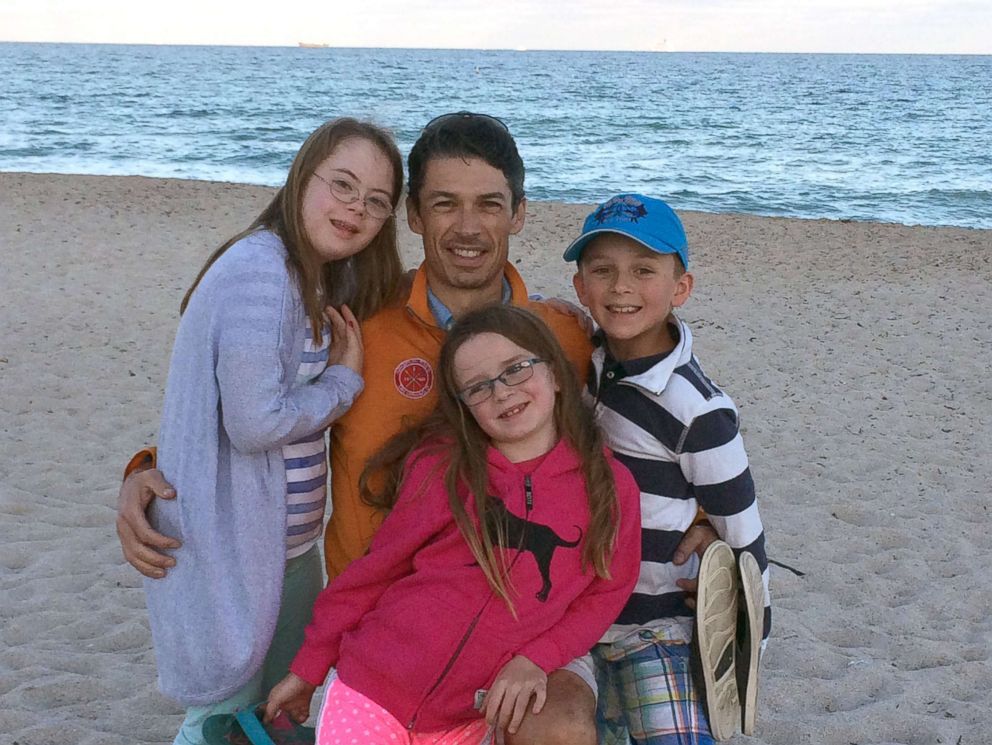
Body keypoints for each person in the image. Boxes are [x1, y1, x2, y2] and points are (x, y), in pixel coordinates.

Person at [116, 113, 717, 744]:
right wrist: (148, 469)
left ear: (518, 214)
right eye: (443, 204)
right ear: (412, 215)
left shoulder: (561, 335)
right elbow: (246, 400)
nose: (467, 227)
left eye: (489, 204)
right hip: (377, 627)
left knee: (559, 726)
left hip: (526, 628)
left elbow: (655, 413)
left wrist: (699, 514)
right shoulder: (358, 324)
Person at [264, 305, 642, 744]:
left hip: (471, 716)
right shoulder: (443, 467)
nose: (501, 392)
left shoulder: (610, 486)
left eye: (516, 369)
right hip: (371, 688)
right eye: (478, 387)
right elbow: (372, 574)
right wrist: (307, 668)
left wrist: (539, 657)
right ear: (463, 407)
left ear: (556, 374)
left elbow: (606, 591)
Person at [142, 117, 405, 745]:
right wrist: (343, 382)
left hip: (284, 550)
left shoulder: (310, 272)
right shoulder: (262, 270)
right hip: (236, 550)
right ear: (301, 177)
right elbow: (255, 423)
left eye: (376, 201)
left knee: (280, 712)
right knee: (219, 719)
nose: (356, 209)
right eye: (341, 185)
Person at [564, 193, 771, 743]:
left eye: (644, 270)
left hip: (658, 629)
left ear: (681, 287)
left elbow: (745, 536)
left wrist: (746, 645)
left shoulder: (698, 410)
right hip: (575, 620)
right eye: (602, 271)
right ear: (580, 288)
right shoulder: (585, 363)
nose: (621, 286)